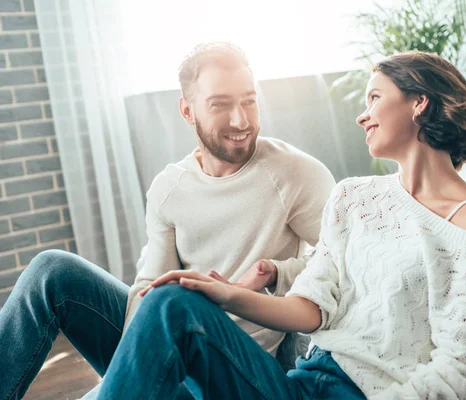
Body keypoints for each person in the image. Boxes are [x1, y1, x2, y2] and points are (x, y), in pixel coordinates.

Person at [96, 51, 466, 400]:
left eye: (374, 98)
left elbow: (461, 368)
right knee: (173, 300)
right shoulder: (353, 198)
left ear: (418, 103)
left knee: (171, 305)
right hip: (300, 384)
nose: (363, 115)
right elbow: (311, 307)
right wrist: (224, 294)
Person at [0, 42, 335, 400]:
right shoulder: (169, 188)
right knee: (52, 270)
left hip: (231, 369)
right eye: (220, 104)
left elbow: (346, 264)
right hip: (169, 349)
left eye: (249, 101)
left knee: (174, 303)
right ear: (187, 111)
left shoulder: (295, 173)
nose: (241, 120)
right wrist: (130, 364)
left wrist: (276, 271)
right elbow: (150, 285)